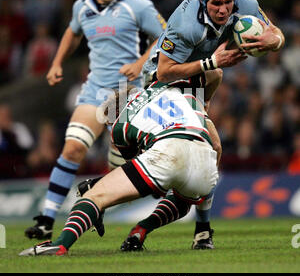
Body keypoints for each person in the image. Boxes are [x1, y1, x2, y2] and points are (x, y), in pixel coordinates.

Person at [122, 0, 285, 250]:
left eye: (227, 3)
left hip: (200, 78)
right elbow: (164, 71)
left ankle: (197, 229)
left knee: (210, 148)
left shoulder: (245, 3)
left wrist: (276, 41)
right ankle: (201, 228)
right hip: (163, 81)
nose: (223, 10)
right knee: (212, 149)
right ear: (203, 1)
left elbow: (275, 33)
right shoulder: (185, 23)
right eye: (216, 4)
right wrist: (212, 62)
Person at [24, 0, 166, 240]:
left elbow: (165, 36)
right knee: (73, 149)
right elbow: (72, 32)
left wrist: (140, 63)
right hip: (94, 90)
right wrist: (57, 63)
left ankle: (96, 198)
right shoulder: (82, 7)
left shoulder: (138, 5)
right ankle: (46, 220)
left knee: (120, 169)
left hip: (125, 92)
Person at [19, 72, 221, 256]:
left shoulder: (119, 125)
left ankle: (60, 244)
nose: (109, 128)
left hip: (168, 152)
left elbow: (140, 179)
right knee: (183, 199)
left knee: (93, 196)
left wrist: (98, 190)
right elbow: (215, 141)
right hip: (206, 160)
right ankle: (142, 229)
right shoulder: (179, 93)